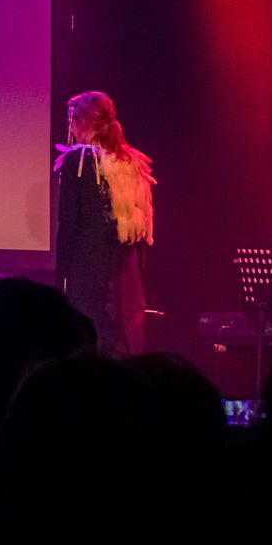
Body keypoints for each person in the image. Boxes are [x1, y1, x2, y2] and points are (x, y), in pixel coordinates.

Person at [54, 90, 155, 356]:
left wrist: (60, 274)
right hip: (122, 265)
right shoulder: (130, 163)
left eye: (72, 122)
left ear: (82, 123)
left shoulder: (76, 160)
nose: (70, 129)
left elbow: (68, 221)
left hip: (86, 265)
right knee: (116, 335)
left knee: (87, 338)